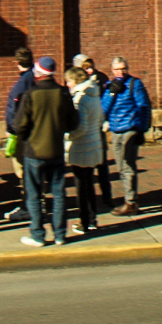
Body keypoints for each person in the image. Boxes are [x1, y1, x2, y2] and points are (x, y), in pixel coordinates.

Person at [9, 57, 78, 245]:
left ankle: (38, 234)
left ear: (38, 73)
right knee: (58, 194)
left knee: (34, 195)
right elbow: (73, 122)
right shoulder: (63, 93)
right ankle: (60, 234)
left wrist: (27, 136)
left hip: (34, 151)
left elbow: (19, 125)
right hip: (56, 150)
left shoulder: (31, 94)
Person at [104, 55, 154, 216]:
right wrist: (111, 93)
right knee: (121, 167)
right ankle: (130, 199)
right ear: (112, 70)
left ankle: (131, 202)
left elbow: (144, 107)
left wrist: (142, 130)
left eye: (123, 68)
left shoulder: (135, 84)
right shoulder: (110, 86)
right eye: (117, 69)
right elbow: (103, 109)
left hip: (130, 129)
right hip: (115, 130)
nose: (121, 72)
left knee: (127, 166)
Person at [65, 60, 109, 236]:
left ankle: (84, 222)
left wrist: (66, 136)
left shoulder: (80, 98)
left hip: (81, 147)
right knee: (89, 184)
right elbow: (98, 120)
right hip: (94, 144)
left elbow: (80, 128)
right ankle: (92, 219)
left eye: (69, 81)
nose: (67, 84)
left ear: (75, 81)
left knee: (81, 186)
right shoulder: (94, 95)